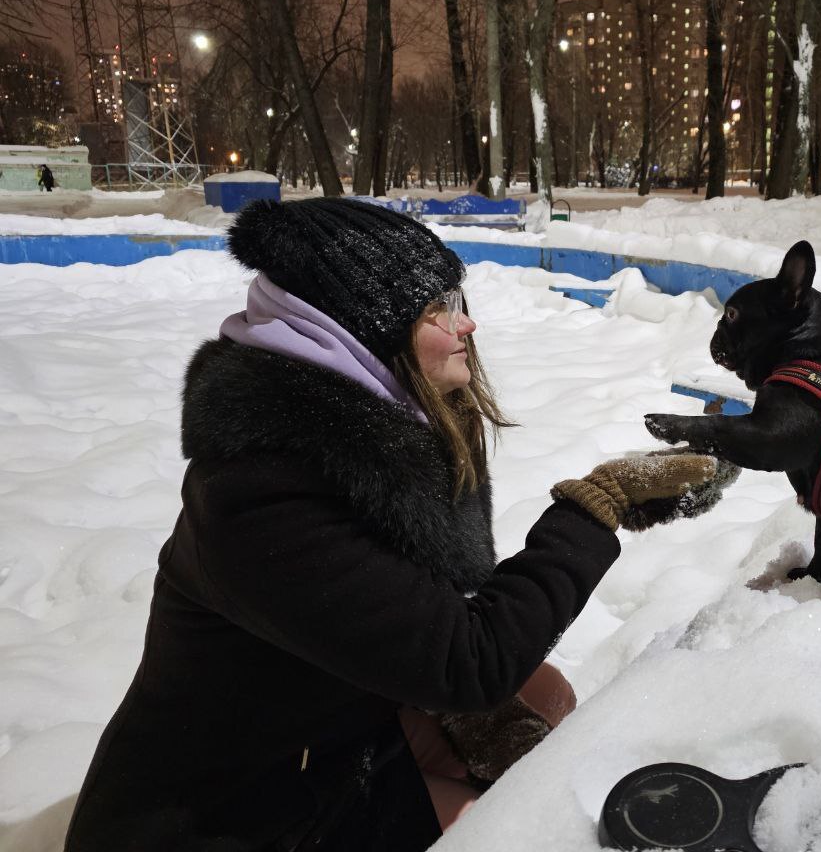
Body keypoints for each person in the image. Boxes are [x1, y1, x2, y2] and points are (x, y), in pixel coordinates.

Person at [64, 197, 729, 851]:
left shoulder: (364, 431)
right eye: (438, 308)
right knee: (511, 832)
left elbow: (439, 605)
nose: (466, 325)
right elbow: (472, 660)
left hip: (318, 735)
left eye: (457, 300)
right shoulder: (265, 500)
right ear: (361, 327)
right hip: (222, 815)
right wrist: (598, 505)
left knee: (541, 694)